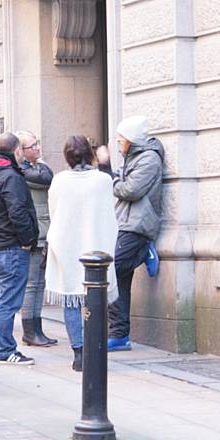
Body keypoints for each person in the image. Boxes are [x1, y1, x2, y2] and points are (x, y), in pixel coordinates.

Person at [45, 135, 118, 371]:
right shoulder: (101, 180)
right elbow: (109, 213)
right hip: (95, 245)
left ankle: (79, 352)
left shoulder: (58, 181)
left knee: (72, 299)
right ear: (90, 154)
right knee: (94, 301)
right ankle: (93, 348)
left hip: (68, 244)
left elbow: (53, 212)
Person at [96, 115, 164, 352]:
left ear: (132, 140)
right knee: (119, 279)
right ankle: (120, 334)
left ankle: (144, 251)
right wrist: (110, 173)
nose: (117, 144)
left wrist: (110, 180)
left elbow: (130, 190)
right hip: (123, 223)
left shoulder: (149, 159)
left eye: (120, 140)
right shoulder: (131, 157)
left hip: (137, 225)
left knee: (111, 272)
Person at [0, 132, 39, 365]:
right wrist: (27, 239)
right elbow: (18, 212)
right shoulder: (11, 177)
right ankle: (4, 350)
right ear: (16, 151)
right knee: (8, 301)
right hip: (11, 246)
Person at [15, 130, 57, 347]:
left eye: (37, 144)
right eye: (32, 146)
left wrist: (38, 161)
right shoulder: (22, 170)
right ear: (21, 151)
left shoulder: (34, 167)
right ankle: (29, 330)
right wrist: (39, 163)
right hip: (35, 232)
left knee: (40, 283)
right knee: (32, 284)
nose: (38, 149)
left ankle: (37, 327)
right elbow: (48, 178)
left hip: (43, 230)